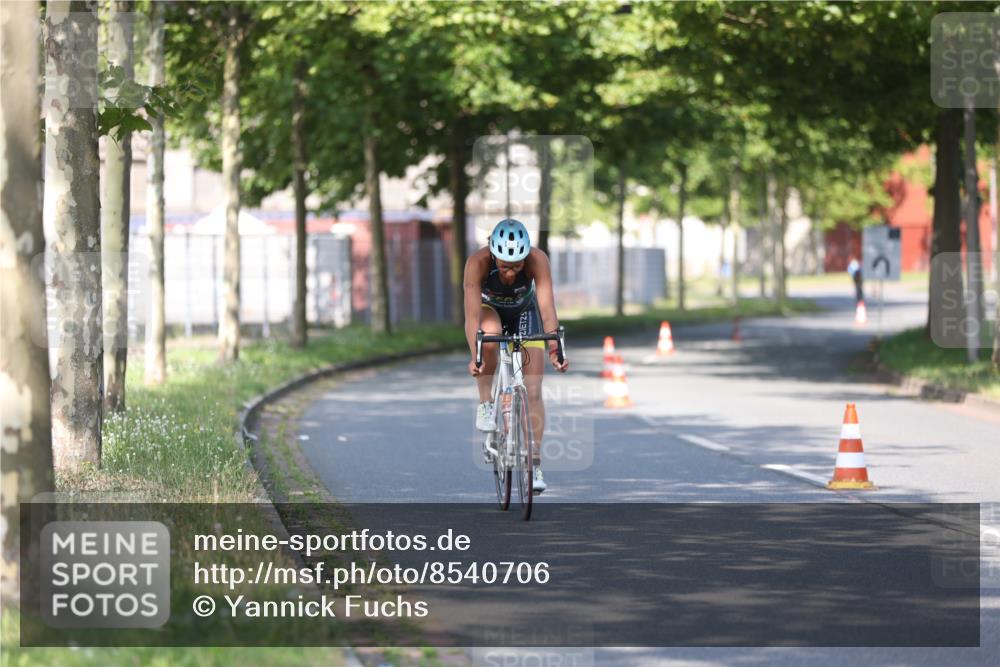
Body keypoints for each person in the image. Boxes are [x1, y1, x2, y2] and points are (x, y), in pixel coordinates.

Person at [464, 218, 568, 494]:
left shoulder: (537, 260)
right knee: (489, 333)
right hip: (489, 311)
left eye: (517, 266)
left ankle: (533, 466)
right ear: (493, 254)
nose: (510, 273)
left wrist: (555, 349)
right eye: (504, 266)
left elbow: (547, 308)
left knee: (533, 390)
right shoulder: (477, 263)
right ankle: (486, 403)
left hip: (525, 313)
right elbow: (472, 316)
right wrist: (476, 356)